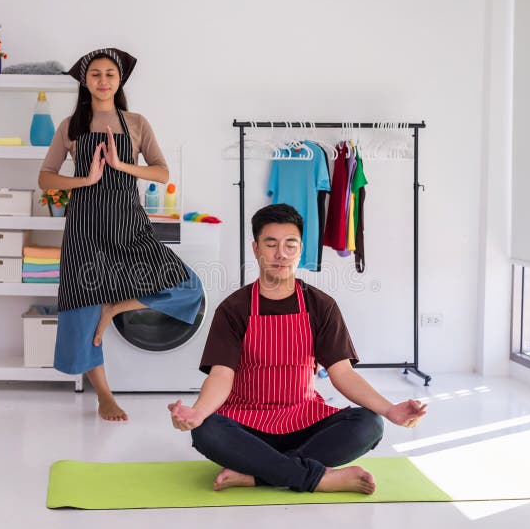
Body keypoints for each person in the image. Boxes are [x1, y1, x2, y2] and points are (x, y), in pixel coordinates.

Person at [168, 203, 427, 494]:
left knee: (369, 423)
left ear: (300, 249)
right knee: (207, 430)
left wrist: (390, 410)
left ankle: (258, 475)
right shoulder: (234, 308)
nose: (281, 254)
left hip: (304, 420)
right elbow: (221, 375)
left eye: (290, 245)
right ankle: (320, 478)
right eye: (271, 244)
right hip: (247, 424)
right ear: (256, 249)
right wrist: (199, 413)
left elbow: (342, 373)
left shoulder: (320, 305)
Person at [39, 48, 202, 421]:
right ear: (86, 81)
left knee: (187, 287)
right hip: (84, 227)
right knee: (82, 312)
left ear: (120, 80)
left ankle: (116, 307)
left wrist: (120, 165)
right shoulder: (70, 125)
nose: (103, 80)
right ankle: (104, 396)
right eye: (95, 74)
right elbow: (45, 176)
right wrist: (87, 179)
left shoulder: (136, 123)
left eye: (110, 74)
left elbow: (162, 173)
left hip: (128, 224)